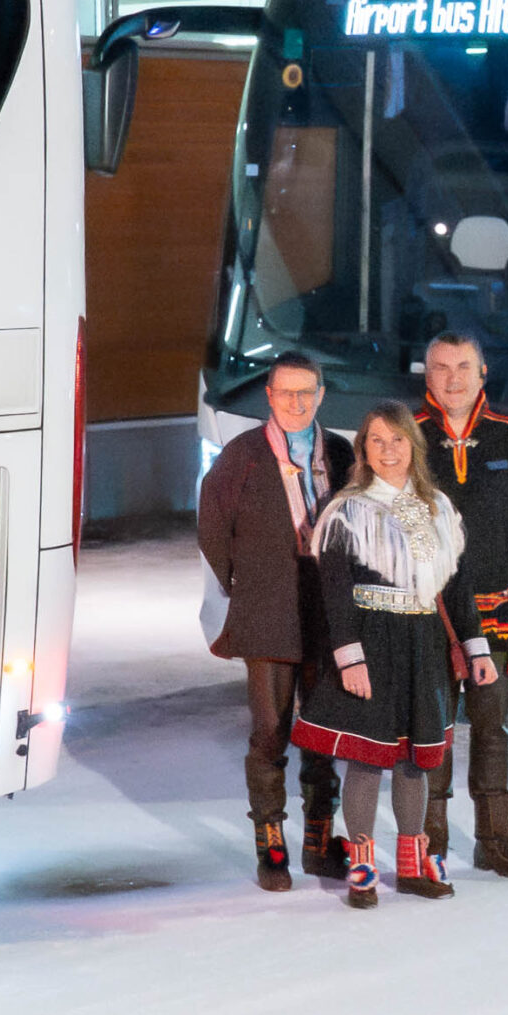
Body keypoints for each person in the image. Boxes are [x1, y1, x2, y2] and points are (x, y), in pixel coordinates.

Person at [292, 402, 497, 907]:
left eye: (398, 440)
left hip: (423, 645)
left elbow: (457, 587)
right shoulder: (346, 511)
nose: (388, 450)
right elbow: (335, 593)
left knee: (414, 760)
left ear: (413, 445)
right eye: (377, 441)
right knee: (367, 759)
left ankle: (410, 864)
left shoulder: (438, 509)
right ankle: (362, 867)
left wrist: (476, 649)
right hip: (370, 643)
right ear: (363, 450)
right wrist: (350, 658)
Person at [195, 352, 352, 891]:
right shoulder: (241, 455)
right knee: (269, 732)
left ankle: (319, 840)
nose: (296, 402)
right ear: (269, 395)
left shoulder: (341, 452)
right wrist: (247, 584)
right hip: (267, 612)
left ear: (321, 395)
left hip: (328, 612)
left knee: (323, 732)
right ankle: (271, 843)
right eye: (286, 392)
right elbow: (212, 529)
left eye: (306, 392)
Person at [416, 332, 508, 875]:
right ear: (426, 375)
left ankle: (495, 840)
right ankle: (428, 841)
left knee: (494, 726)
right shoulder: (405, 438)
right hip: (428, 613)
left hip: (499, 609)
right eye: (440, 367)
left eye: (463, 366)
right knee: (431, 729)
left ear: (483, 374)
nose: (452, 378)